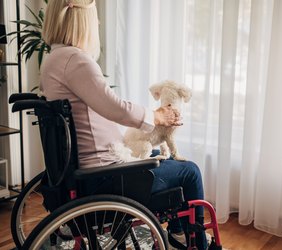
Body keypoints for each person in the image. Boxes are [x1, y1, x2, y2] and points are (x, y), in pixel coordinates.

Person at [41, 0, 208, 249]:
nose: (97, 23)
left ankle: (178, 233)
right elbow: (114, 106)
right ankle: (193, 240)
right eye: (94, 18)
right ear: (82, 22)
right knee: (189, 171)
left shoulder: (52, 60)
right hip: (106, 178)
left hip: (86, 172)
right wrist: (156, 117)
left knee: (161, 157)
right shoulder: (76, 61)